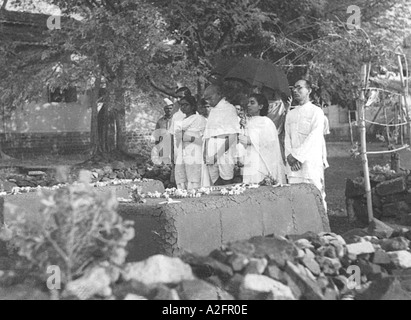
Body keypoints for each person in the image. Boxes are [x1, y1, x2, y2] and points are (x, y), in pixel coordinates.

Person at [285, 80, 327, 210]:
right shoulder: (291, 114)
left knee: (315, 195)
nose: (295, 91)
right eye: (294, 88)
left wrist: (297, 156)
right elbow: (287, 137)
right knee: (296, 199)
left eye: (299, 88)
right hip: (293, 165)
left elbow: (314, 137)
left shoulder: (316, 112)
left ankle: (321, 228)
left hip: (310, 162)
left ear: (309, 90)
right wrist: (290, 156)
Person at [239, 94, 285, 185]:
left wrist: (251, 140)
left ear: (260, 106)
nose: (248, 105)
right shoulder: (248, 122)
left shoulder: (266, 122)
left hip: (262, 160)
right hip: (250, 159)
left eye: (252, 103)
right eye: (248, 103)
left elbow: (269, 141)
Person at [201, 84, 241, 186]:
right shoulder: (213, 111)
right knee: (214, 181)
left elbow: (232, 135)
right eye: (206, 100)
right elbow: (207, 134)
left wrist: (217, 155)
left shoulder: (229, 108)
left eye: (210, 98)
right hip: (211, 148)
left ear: (219, 94)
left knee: (226, 180)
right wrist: (206, 152)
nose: (208, 102)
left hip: (224, 148)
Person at [174, 95, 207, 190]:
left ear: (193, 106)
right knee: (181, 176)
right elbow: (177, 136)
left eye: (186, 105)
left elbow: (201, 140)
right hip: (182, 151)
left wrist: (185, 136)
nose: (183, 107)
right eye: (181, 105)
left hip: (194, 151)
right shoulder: (181, 120)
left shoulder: (198, 119)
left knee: (193, 178)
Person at [151, 99, 173, 165]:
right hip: (164, 146)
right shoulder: (160, 121)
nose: (169, 110)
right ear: (164, 109)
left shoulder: (177, 120)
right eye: (167, 108)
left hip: (174, 146)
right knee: (165, 164)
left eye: (170, 108)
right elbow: (157, 136)